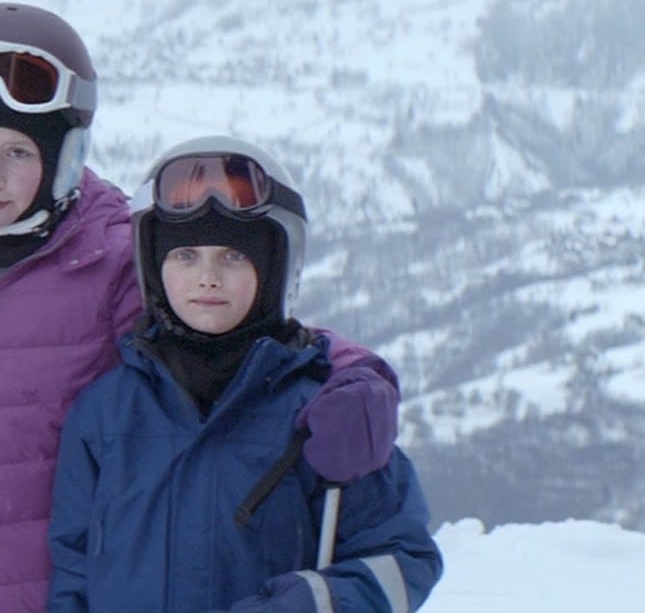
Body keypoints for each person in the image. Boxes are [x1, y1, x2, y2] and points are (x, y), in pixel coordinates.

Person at [0, 5, 404, 612]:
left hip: (53, 589)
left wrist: (357, 377)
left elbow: (228, 336)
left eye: (19, 153)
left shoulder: (111, 258)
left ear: (62, 157)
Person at [46, 136, 443, 611]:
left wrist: (311, 603)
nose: (207, 277)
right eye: (185, 255)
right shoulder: (106, 412)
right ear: (152, 267)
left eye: (233, 256)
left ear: (275, 268)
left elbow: (404, 559)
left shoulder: (323, 414)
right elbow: (72, 571)